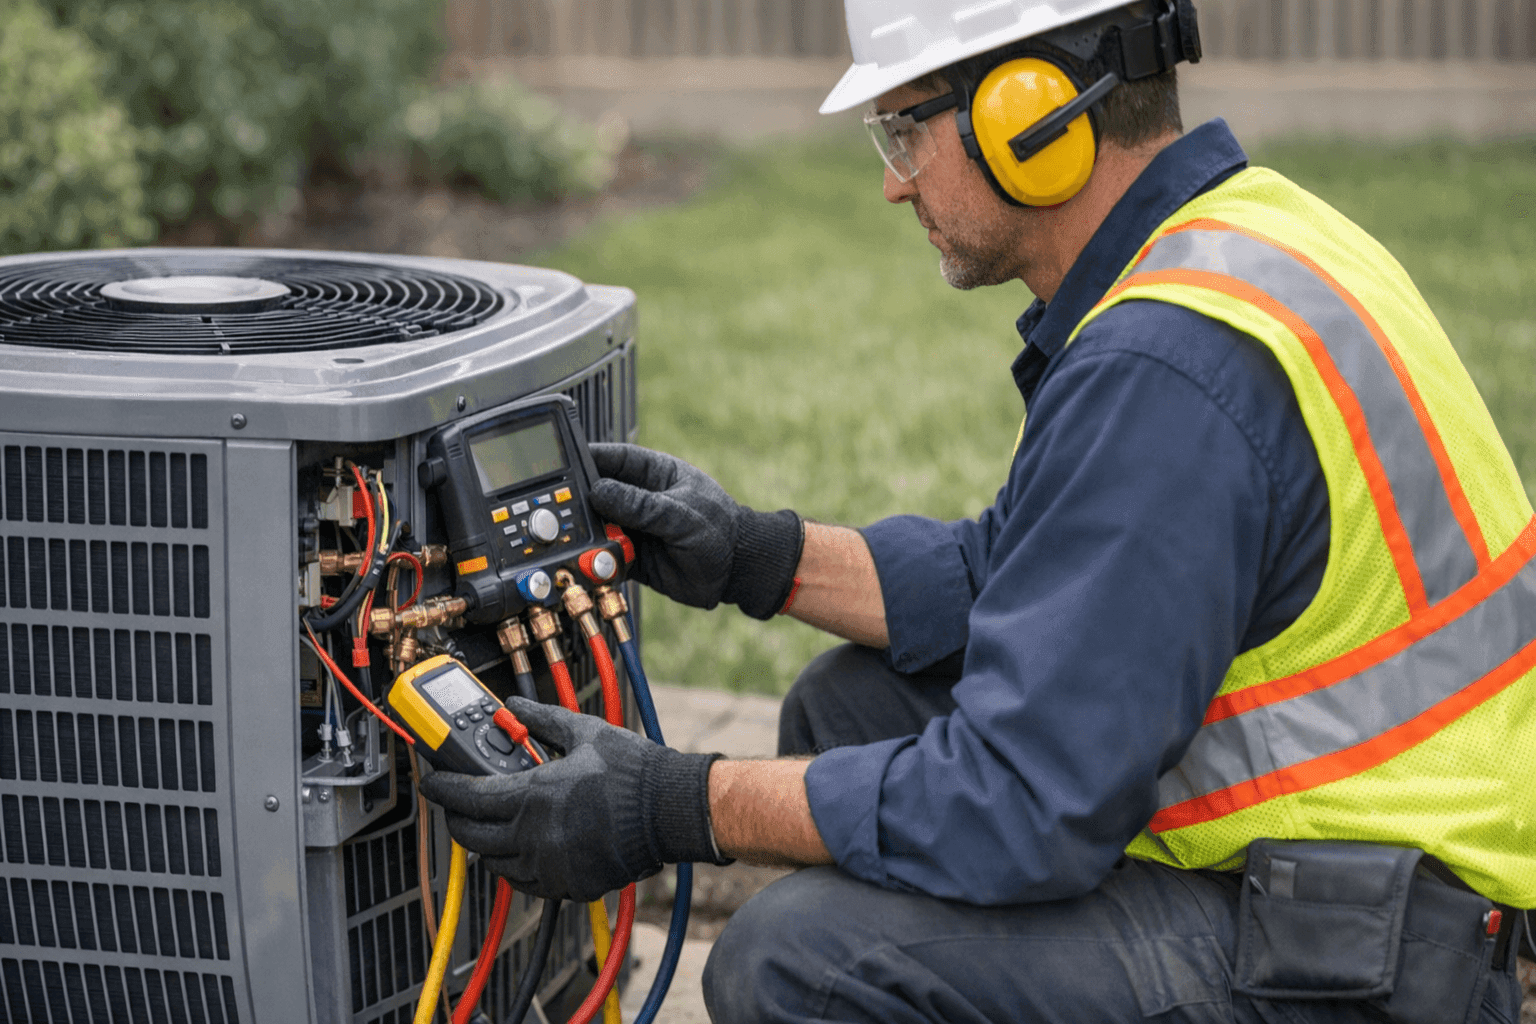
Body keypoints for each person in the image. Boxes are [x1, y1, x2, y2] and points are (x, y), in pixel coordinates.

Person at [420, 0, 1536, 1019]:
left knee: (791, 962)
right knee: (848, 710)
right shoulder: (1244, 239)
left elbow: (1021, 802)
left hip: (1372, 959)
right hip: (1358, 873)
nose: (895, 181)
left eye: (904, 131)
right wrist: (756, 555)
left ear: (1032, 118)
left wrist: (670, 804)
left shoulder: (1169, 366)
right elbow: (1027, 572)